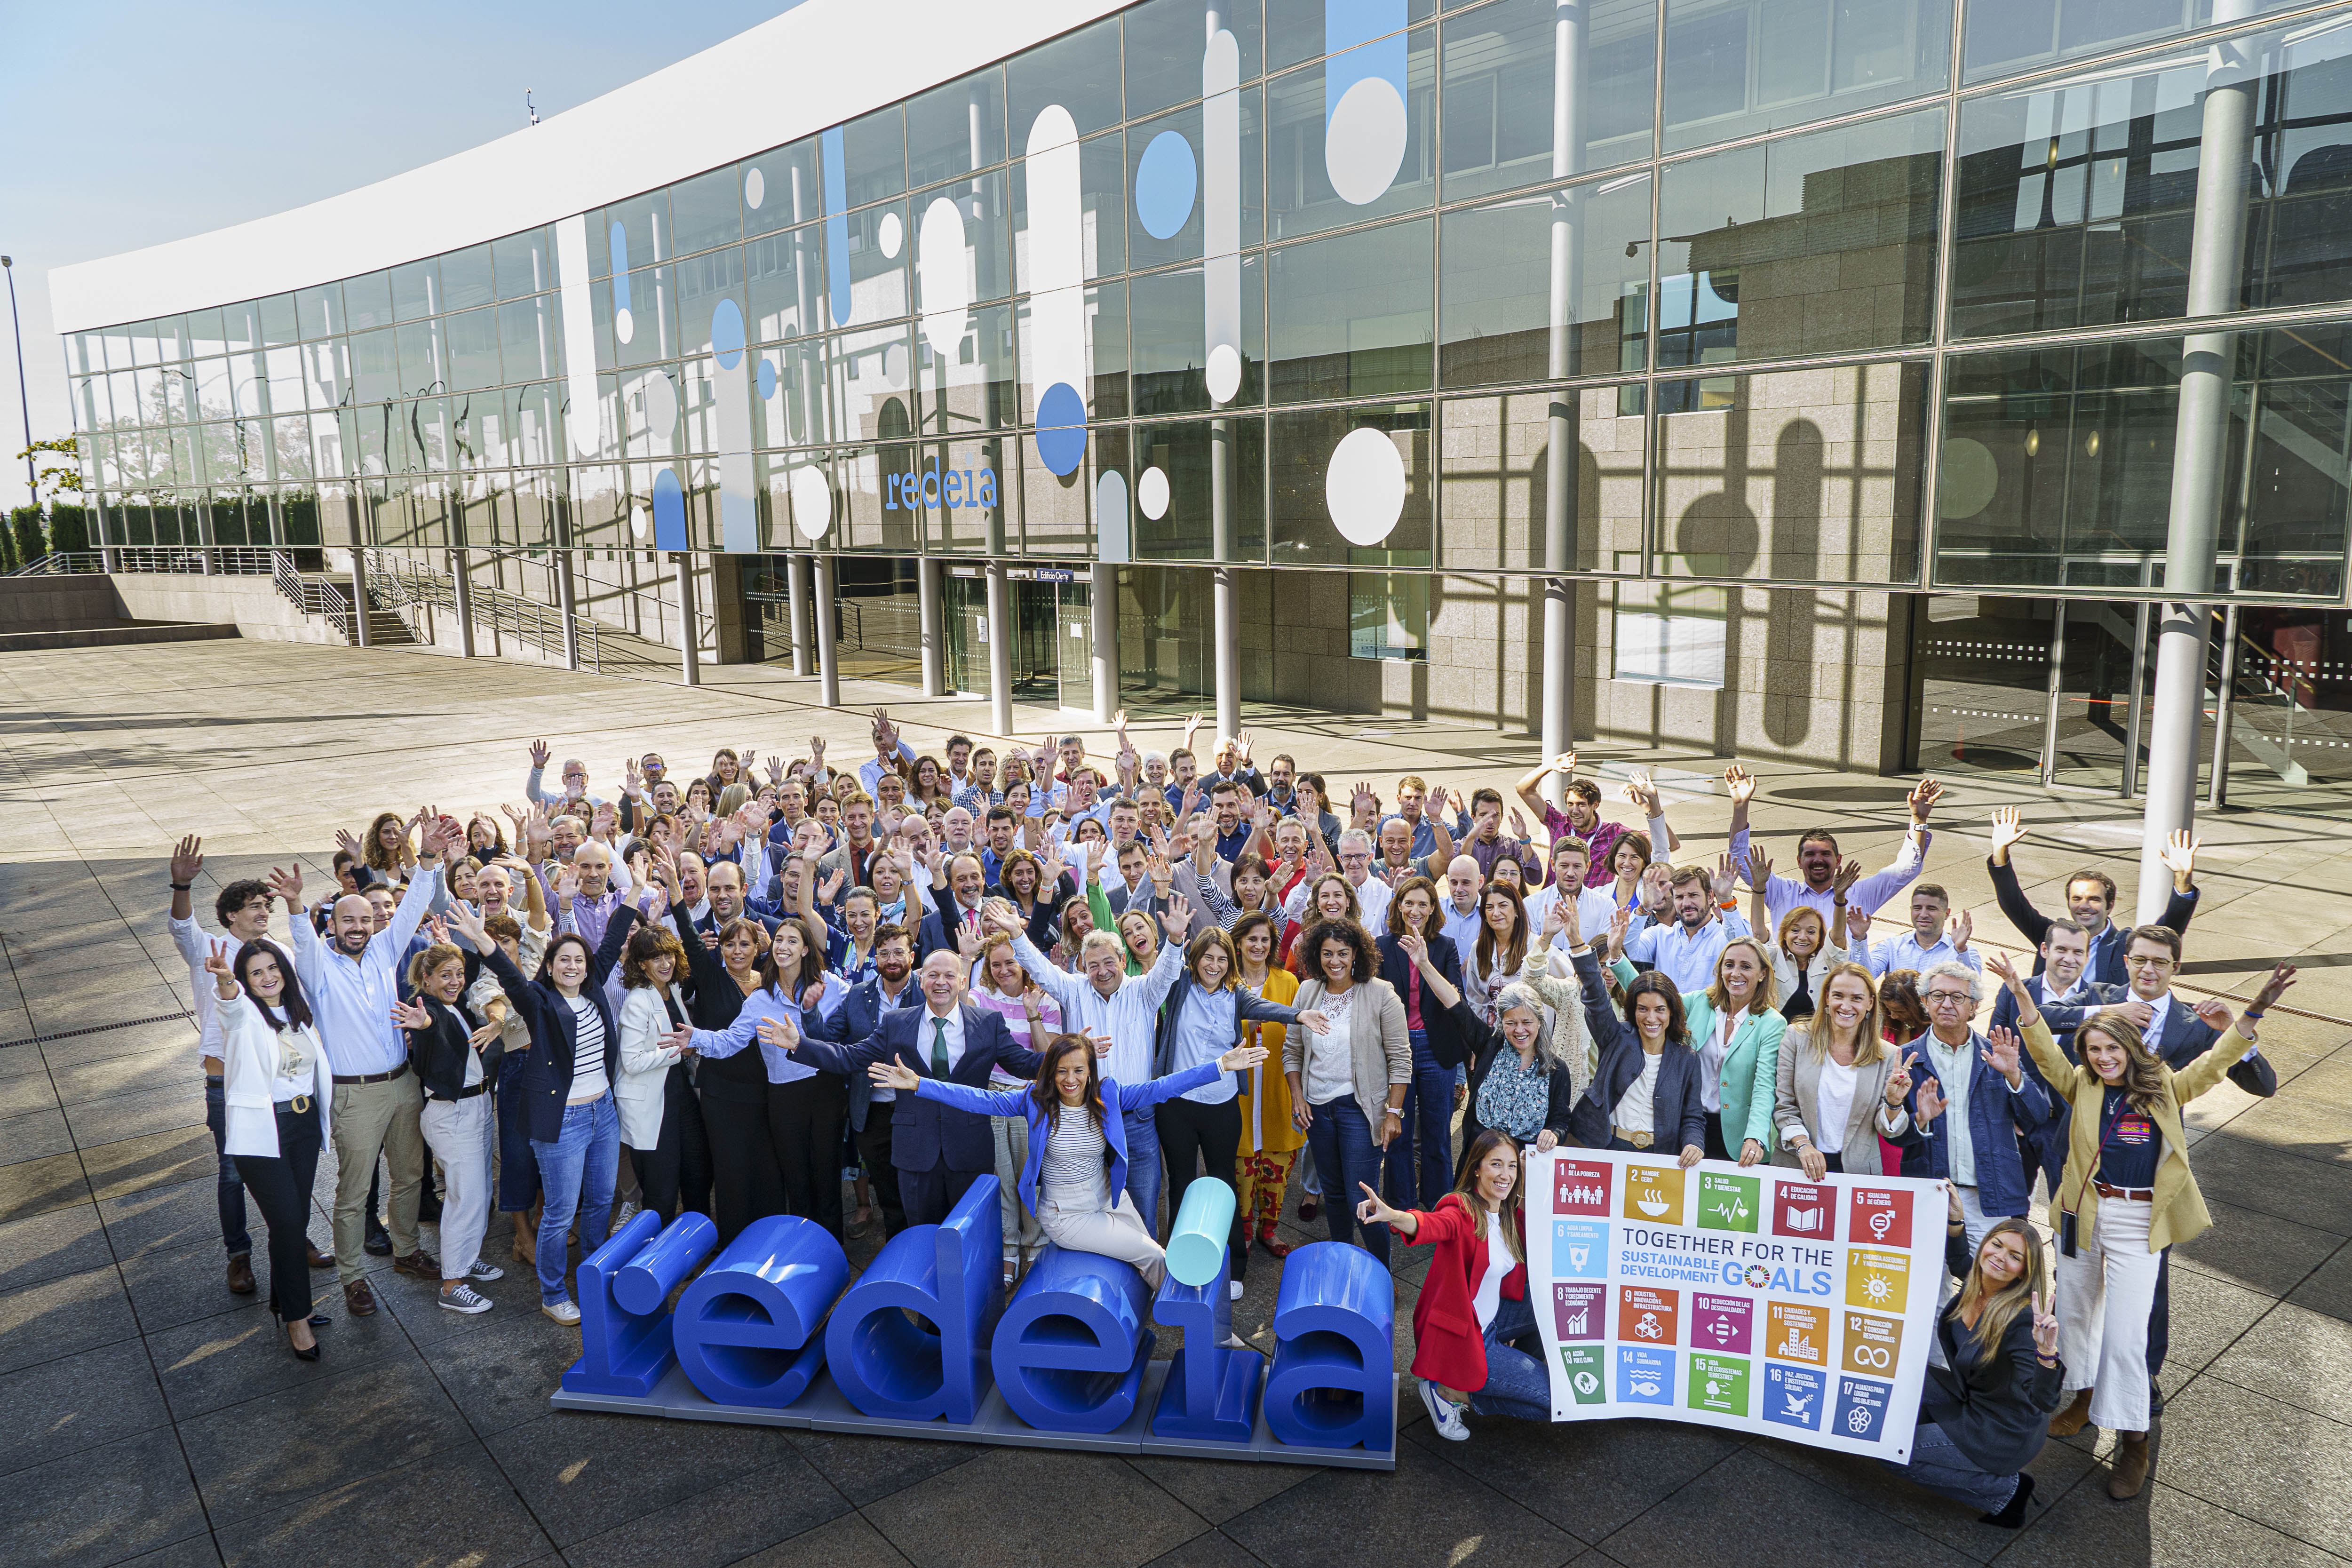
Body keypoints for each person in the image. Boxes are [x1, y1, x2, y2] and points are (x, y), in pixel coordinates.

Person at [1988, 952, 2291, 1499]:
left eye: (2111, 1049)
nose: (2103, 1058)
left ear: (2129, 1050)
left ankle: (2133, 1441)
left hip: (2135, 1220)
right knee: (2074, 1318)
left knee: (2127, 1337)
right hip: (2084, 1216)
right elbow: (2037, 1045)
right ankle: (2082, 1399)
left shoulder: (2164, 1089)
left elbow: (2218, 1058)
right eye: (2094, 1050)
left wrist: (2257, 1009)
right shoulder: (2079, 1084)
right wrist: (2020, 991)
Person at [870, 1031, 1269, 1288]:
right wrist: (920, 1084)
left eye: (1079, 1069)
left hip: (1110, 1199)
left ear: (1091, 1071)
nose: (1071, 1079)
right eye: (1062, 1071)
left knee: (1146, 1253)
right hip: (1067, 1214)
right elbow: (980, 1099)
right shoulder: (1034, 1102)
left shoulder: (1108, 1096)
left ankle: (1162, 1314)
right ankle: (1199, 1324)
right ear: (1051, 1073)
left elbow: (1160, 1088)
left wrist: (1220, 1066)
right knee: (1155, 1255)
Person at [270, 814, 453, 1318]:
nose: (358, 928)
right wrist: (291, 904)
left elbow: (414, 903)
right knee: (352, 1193)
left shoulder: (383, 953)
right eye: (348, 920)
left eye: (365, 921)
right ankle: (352, 1277)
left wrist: (430, 858)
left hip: (402, 1085)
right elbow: (302, 943)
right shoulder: (317, 965)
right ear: (332, 924)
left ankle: (406, 1250)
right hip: (353, 1095)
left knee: (410, 1177)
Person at [447, 895, 643, 1325]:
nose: (572, 965)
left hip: (603, 1113)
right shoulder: (538, 1000)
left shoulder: (592, 990)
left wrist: (634, 893)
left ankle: (596, 1278)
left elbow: (610, 943)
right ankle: (554, 1293)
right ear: (550, 966)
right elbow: (510, 978)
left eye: (579, 959)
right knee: (559, 1212)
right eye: (563, 960)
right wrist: (482, 940)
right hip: (563, 1121)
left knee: (598, 1204)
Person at [757, 944, 1048, 1226]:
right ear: (921, 980)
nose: (941, 983)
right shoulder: (896, 1023)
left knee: (972, 1233)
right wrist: (799, 1044)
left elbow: (1024, 1064)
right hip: (916, 1151)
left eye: (949, 976)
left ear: (962, 982)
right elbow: (850, 1057)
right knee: (921, 1233)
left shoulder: (988, 1023)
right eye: (933, 975)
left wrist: (1070, 1052)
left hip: (970, 1150)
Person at [169, 836, 334, 1294]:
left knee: (292, 1168)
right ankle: (238, 1257)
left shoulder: (274, 957)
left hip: (280, 1087)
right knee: (232, 1172)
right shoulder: (210, 948)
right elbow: (182, 929)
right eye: (254, 906)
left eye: (267, 904)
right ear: (230, 916)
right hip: (227, 1086)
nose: (264, 911)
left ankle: (294, 1239)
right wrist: (181, 886)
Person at [1151, 927, 1325, 1291]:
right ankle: (1182, 1263)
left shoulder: (1235, 994)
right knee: (1181, 1183)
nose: (1213, 965)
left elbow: (1264, 1007)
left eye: (1221, 959)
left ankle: (1232, 1266)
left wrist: (1298, 1016)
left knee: (1222, 1181)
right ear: (1195, 958)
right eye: (1207, 957)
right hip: (1177, 1105)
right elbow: (1164, 965)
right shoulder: (1179, 984)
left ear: (1230, 963)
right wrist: (1171, 935)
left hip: (1221, 1105)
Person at [1005, 894, 1192, 1230]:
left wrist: (1175, 940)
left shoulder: (1144, 991)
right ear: (1084, 967)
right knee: (1089, 1205)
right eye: (1093, 965)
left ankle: (1146, 1270)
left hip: (1135, 1116)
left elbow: (1166, 972)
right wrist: (1017, 937)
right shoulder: (1073, 989)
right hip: (1083, 1115)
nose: (1102, 971)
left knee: (1141, 1201)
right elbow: (1040, 968)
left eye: (1109, 962)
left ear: (1123, 959)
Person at [1356, 1128, 1548, 1441]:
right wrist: (1393, 1215)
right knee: (1553, 1402)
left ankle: (1502, 1368)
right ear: (1476, 1168)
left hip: (1495, 1320)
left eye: (1511, 1165)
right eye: (1495, 1164)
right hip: (1466, 1336)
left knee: (1549, 1307)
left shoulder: (1507, 1212)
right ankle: (1452, 1393)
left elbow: (1533, 1226)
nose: (1506, 1174)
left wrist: (1533, 1165)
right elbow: (1433, 1224)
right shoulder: (1463, 1211)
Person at [1881, 1211, 2065, 1528]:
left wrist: (2046, 1354)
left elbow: (2043, 1400)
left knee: (1890, 1452)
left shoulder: (2021, 1322)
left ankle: (2005, 1492)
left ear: (2024, 1271)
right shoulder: (1979, 1284)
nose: (2000, 1257)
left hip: (2001, 1429)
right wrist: (1955, 1222)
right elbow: (1960, 1262)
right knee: (1902, 1378)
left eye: (2015, 1256)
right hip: (1971, 1396)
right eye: (1997, 1245)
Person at [206, 940, 331, 1359]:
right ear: (246, 980)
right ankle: (297, 1319)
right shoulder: (244, 1015)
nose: (267, 977)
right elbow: (230, 1005)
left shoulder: (299, 1012)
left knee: (295, 1219)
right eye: (256, 972)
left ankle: (284, 1299)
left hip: (303, 1123)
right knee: (289, 1223)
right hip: (264, 1131)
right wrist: (226, 980)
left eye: (273, 968)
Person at [1903, 960, 2054, 1252]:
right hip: (1928, 1192)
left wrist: (2014, 1074)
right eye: (1938, 996)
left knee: (1989, 1287)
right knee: (1930, 1292)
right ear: (1925, 1003)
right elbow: (1893, 1135)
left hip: (1988, 1195)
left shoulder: (1996, 1055)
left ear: (1974, 1008)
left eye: (1958, 997)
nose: (1947, 1004)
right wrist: (1920, 1119)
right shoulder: (1907, 1059)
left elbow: (2036, 1115)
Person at [1284, 918, 1411, 1264]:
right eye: (1327, 953)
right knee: (1334, 1193)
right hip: (1318, 1110)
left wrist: (1393, 1113)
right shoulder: (1307, 991)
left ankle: (1380, 1274)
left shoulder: (1380, 993)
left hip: (1359, 1109)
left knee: (1363, 1196)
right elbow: (1292, 1051)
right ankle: (1343, 1265)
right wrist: (1298, 1096)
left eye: (1343, 952)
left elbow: (1401, 1060)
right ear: (1316, 954)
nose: (1335, 960)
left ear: (1357, 952)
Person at [390, 941, 502, 1314]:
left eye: (459, 973)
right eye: (445, 975)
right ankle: (452, 1284)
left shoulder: (453, 1006)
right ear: (427, 978)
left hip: (478, 1106)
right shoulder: (430, 1010)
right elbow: (429, 1027)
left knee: (479, 1192)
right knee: (464, 1199)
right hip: (453, 1114)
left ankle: (467, 1260)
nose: (455, 981)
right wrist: (423, 1024)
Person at [1610, 933, 1785, 1165]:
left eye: (1746, 967)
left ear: (1763, 974)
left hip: (1737, 1138)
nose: (1736, 974)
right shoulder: (1700, 1002)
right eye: (1729, 965)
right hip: (1686, 1125)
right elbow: (1653, 997)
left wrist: (1755, 1137)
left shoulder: (1772, 1023)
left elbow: (1764, 1087)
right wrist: (1617, 958)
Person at [1558, 903, 1705, 1165]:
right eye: (1642, 1009)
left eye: (1660, 1010)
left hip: (1659, 1158)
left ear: (1672, 1012)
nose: (1651, 1018)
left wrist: (1694, 1143)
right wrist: (1576, 942)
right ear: (1632, 1011)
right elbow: (1596, 997)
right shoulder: (1616, 1038)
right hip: (1606, 1148)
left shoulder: (1687, 1058)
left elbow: (1693, 1116)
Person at [1986, 808, 2200, 985]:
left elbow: (2169, 928)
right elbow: (2014, 903)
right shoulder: (2050, 934)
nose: (2084, 906)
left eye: (2094, 899)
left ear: (2111, 905)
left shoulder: (2125, 944)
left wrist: (2182, 881)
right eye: (2077, 899)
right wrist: (2000, 853)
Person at [1406, 940, 1574, 1155]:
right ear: (1501, 1024)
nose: (1519, 1030)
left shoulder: (1556, 1069)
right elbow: (1456, 1006)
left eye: (1527, 1022)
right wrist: (1424, 965)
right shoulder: (1489, 1046)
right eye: (1511, 1023)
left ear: (1540, 1022)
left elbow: (1560, 1120)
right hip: (1480, 1161)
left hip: (1526, 1165)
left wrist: (1553, 1133)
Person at [1727, 767, 1941, 923]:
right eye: (1810, 854)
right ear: (1799, 862)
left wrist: (1919, 821)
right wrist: (1740, 806)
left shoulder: (1860, 895)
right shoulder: (1781, 892)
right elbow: (1739, 857)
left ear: (1838, 860)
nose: (1818, 860)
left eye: (1825, 854)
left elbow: (1907, 869)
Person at [967, 931, 1063, 1279]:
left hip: (1029, 1097)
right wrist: (965, 959)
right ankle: (1008, 1247)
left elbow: (1046, 1056)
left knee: (1030, 1176)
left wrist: (1033, 1014)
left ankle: (1035, 1246)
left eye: (1011, 962)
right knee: (1001, 1176)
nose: (1004, 969)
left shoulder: (1046, 999)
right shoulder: (981, 995)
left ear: (1023, 964)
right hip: (992, 1095)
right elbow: (961, 1014)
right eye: (996, 964)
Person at [1771, 962, 1912, 1176]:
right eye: (1839, 996)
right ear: (1827, 998)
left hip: (1858, 1173)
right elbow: (1784, 1105)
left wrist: (1893, 1103)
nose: (1846, 1006)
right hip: (1797, 1164)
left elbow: (1888, 1131)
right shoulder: (1796, 1037)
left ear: (1870, 1004)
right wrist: (1803, 1145)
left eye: (1856, 998)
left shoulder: (1888, 1055)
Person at [614, 923, 714, 1225]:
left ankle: (696, 1244)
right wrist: (679, 1051)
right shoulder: (636, 1001)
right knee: (662, 1191)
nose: (665, 963)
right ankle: (656, 1262)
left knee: (699, 1174)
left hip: (682, 1097)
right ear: (642, 964)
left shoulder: (672, 990)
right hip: (650, 1106)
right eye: (656, 957)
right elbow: (632, 1061)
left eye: (669, 954)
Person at [1375, 876, 1464, 1208]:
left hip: (1435, 1048)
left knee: (1438, 1135)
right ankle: (1401, 1207)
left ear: (1432, 910)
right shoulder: (1382, 946)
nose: (1415, 909)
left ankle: (1439, 1206)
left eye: (1423, 903)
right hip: (1397, 1049)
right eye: (1409, 902)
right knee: (1397, 1131)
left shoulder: (1444, 947)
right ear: (1399, 905)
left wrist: (1423, 962)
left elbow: (1455, 998)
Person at [1228, 911, 1306, 1259]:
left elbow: (1298, 1039)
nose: (1258, 946)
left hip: (1277, 1085)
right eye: (1252, 939)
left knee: (1277, 1165)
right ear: (1239, 944)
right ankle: (1243, 1230)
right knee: (1241, 1168)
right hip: (1241, 1091)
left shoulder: (1289, 982)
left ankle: (1269, 1229)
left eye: (1265, 940)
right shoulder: (1226, 983)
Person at [1743, 845, 1854, 1024]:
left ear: (1820, 938)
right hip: (1776, 1040)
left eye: (1811, 932)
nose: (1802, 937)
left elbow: (1839, 937)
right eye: (1795, 930)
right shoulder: (1773, 957)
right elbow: (1758, 931)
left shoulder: (1827, 959)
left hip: (1815, 1040)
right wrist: (1759, 887)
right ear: (1785, 934)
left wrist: (1840, 898)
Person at [1857, 883, 1980, 978]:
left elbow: (1972, 989)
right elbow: (1863, 977)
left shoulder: (1965, 952)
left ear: (1947, 913)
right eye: (1917, 908)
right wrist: (1859, 938)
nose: (1923, 914)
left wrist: (1961, 951)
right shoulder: (1891, 946)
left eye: (1932, 909)